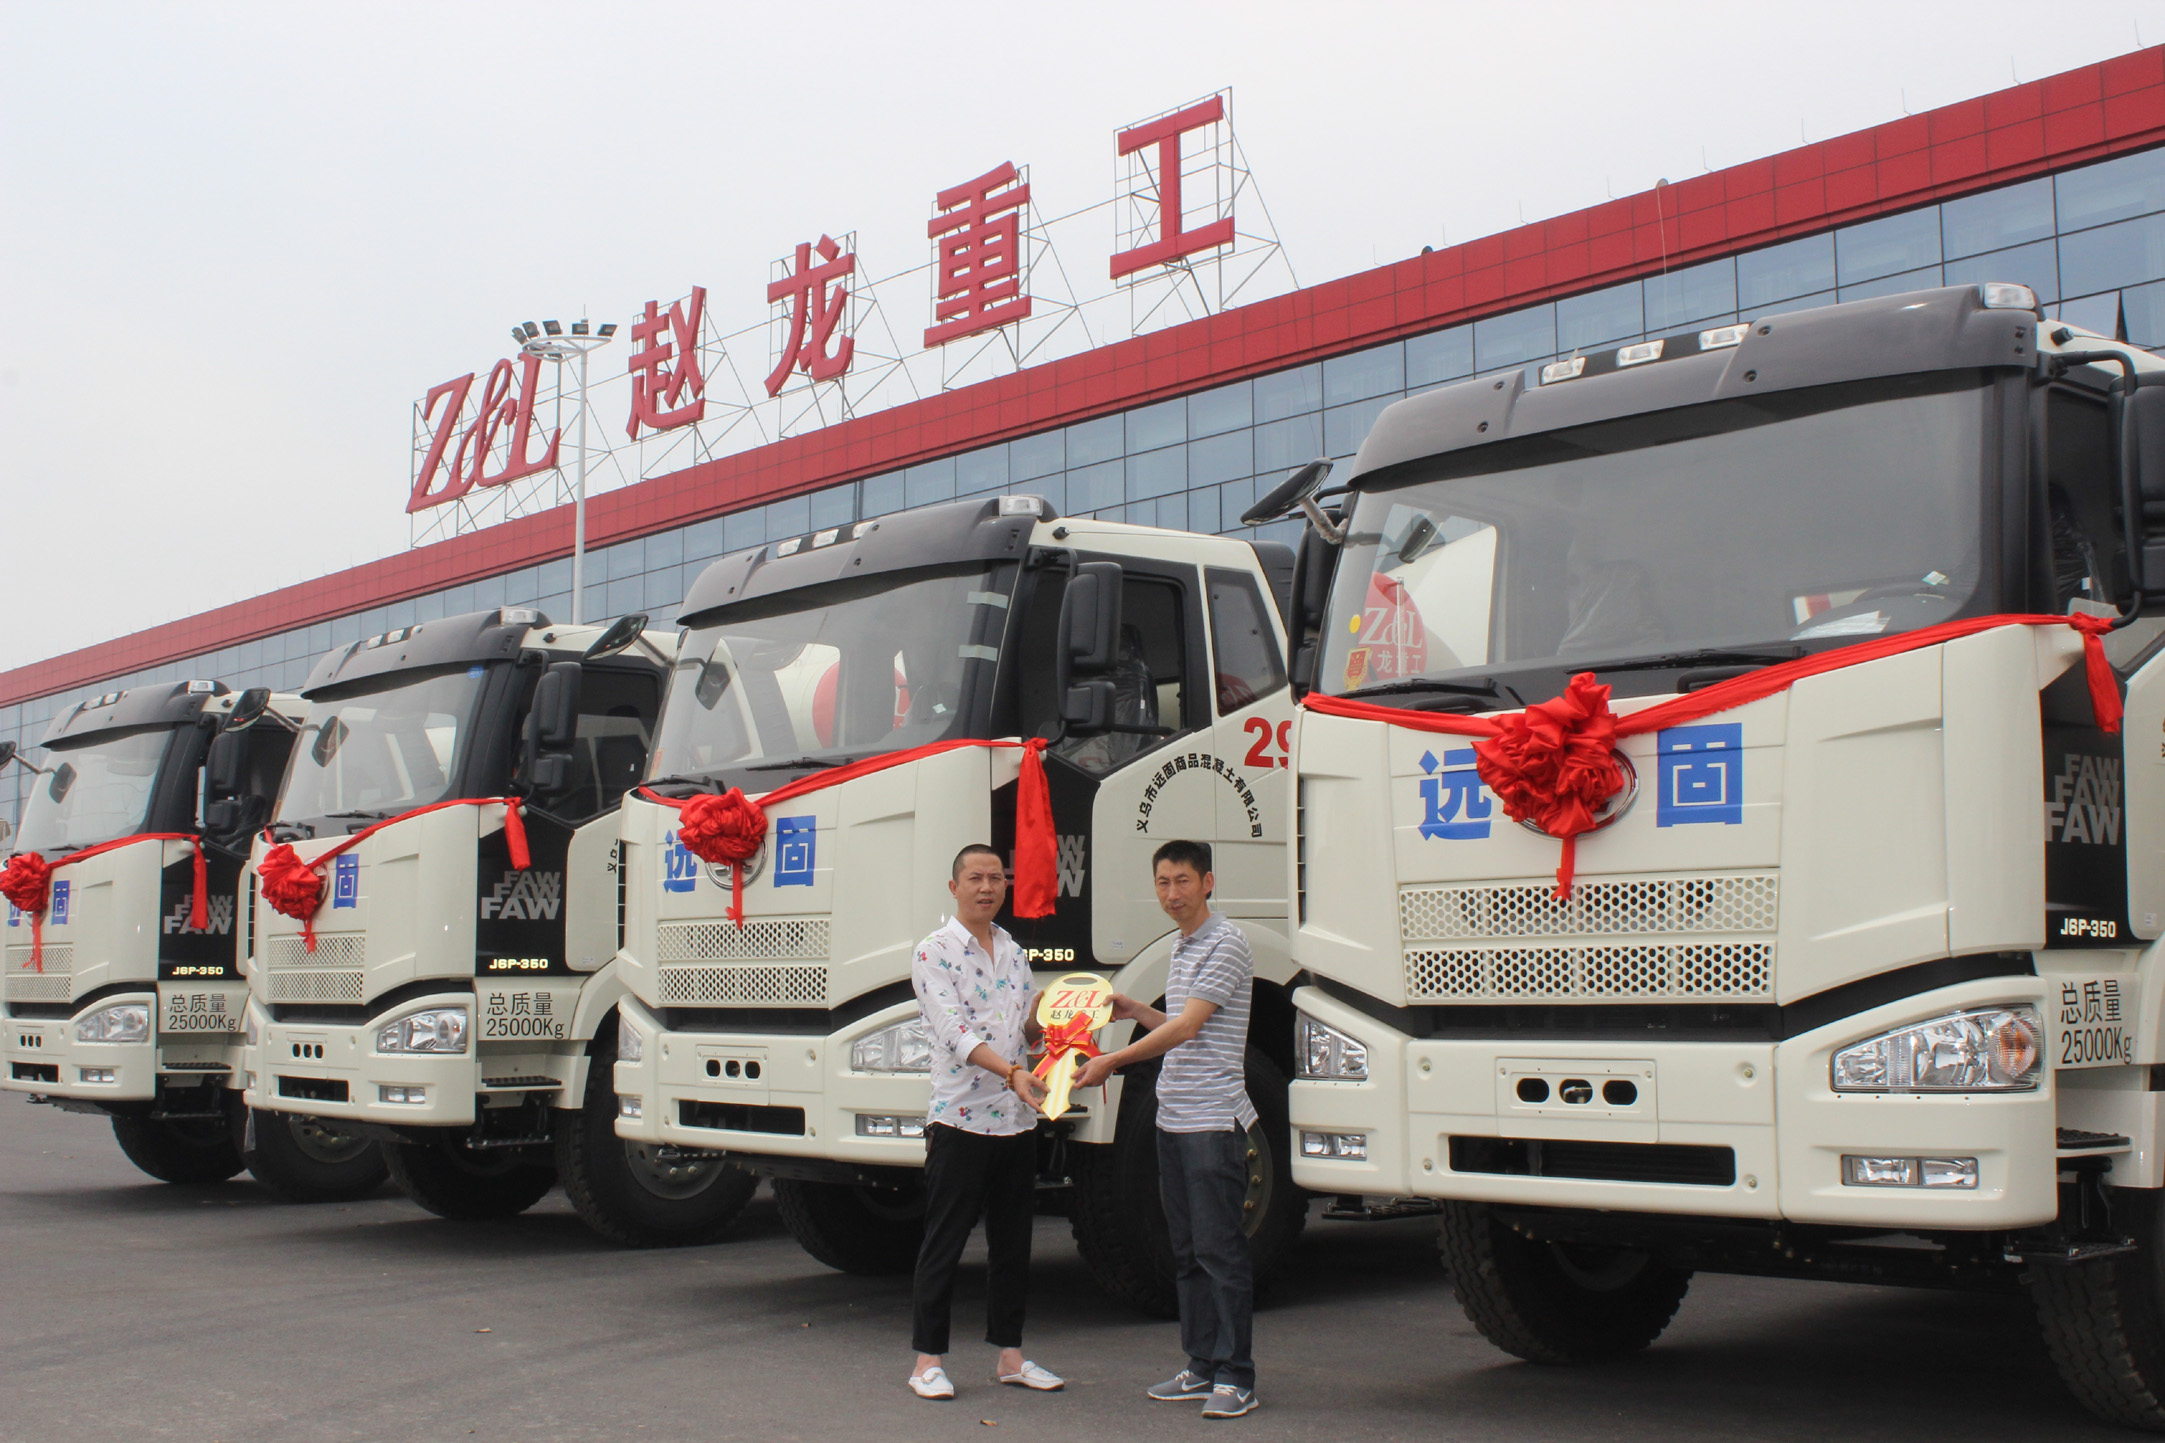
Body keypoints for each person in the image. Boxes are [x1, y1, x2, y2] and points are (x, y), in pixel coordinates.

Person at [1075, 840, 1259, 1420]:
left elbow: (1186, 1030)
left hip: (1212, 1120)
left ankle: (1237, 1376)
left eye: (1182, 881)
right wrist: (1136, 1011)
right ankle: (1201, 1365)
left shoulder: (1227, 943)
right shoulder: (1182, 946)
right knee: (1187, 1252)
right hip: (1173, 1118)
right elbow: (1181, 1024)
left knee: (1220, 1251)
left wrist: (1111, 1060)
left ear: (1208, 882)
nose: (1172, 893)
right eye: (1162, 882)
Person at [906, 843, 1064, 1401]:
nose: (987, 887)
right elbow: (954, 1033)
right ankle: (927, 1362)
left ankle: (1011, 1356)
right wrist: (1013, 1072)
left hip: (1016, 1121)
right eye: (975, 878)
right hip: (960, 1120)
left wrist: (1053, 1020)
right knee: (944, 1243)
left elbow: (1023, 1032)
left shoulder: (1014, 951)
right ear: (955, 888)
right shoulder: (933, 952)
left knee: (1013, 1244)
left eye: (996, 878)